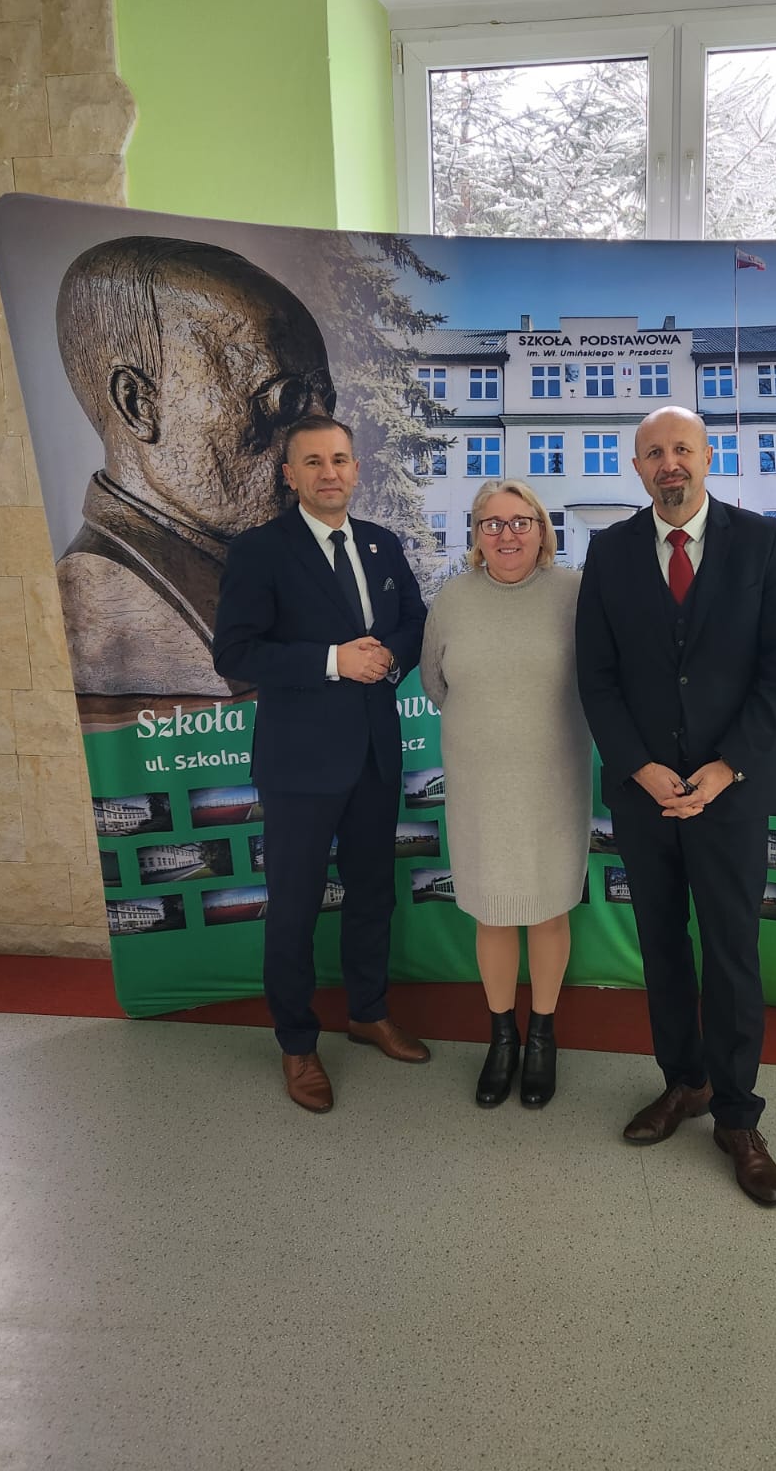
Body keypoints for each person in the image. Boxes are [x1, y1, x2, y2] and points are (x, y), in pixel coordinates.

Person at [575, 406, 776, 1207]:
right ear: (637, 467)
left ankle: (738, 1117)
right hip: (645, 796)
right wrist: (638, 767)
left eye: (682, 449)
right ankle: (685, 1081)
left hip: (731, 793)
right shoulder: (608, 551)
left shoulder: (761, 542)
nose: (668, 463)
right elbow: (596, 676)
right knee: (663, 946)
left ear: (707, 457)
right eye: (653, 453)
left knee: (732, 954)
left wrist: (726, 767)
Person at [212, 417, 429, 1113]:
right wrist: (335, 660)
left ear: (356, 468)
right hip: (300, 764)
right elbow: (234, 653)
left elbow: (416, 622)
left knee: (372, 895)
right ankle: (297, 1042)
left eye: (339, 459)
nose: (329, 472)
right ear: (290, 475)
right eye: (313, 461)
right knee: (295, 908)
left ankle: (368, 1012)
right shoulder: (260, 550)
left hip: (374, 754)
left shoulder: (382, 543)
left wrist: (390, 655)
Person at [55, 236, 336, 700]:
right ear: (138, 406)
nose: (323, 436)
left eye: (324, 400)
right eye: (283, 399)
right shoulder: (108, 598)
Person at [419, 479, 588, 1110]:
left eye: (521, 522)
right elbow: (435, 681)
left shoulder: (575, 594)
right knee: (492, 912)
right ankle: (502, 1037)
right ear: (476, 536)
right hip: (479, 784)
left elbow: (600, 678)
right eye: (492, 524)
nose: (507, 534)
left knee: (547, 910)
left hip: (554, 780)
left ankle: (542, 1035)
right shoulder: (452, 599)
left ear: (543, 530)